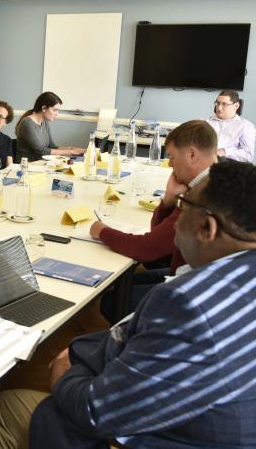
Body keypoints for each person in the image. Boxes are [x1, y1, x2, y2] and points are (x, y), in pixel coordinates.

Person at [0, 161, 256, 448]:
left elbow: (99, 412)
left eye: (183, 206)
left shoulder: (190, 304)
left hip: (192, 438)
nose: (177, 218)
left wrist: (65, 374)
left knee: (10, 405)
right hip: (254, 427)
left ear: (207, 227)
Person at [89, 120, 218, 318]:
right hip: (198, 276)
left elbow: (146, 249)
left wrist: (101, 231)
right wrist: (168, 201)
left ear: (192, 154)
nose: (170, 164)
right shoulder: (215, 178)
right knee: (127, 282)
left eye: (173, 157)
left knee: (113, 301)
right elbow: (158, 235)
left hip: (194, 289)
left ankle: (138, 343)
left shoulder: (201, 195)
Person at [15, 92, 83, 162]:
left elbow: (52, 147)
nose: (57, 114)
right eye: (55, 110)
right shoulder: (27, 123)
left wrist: (77, 150)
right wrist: (71, 152)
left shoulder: (44, 122)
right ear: (44, 108)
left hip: (40, 166)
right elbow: (42, 151)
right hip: (26, 167)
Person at [205, 89, 255, 162]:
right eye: (217, 103)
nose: (219, 107)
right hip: (203, 160)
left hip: (227, 164)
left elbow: (248, 155)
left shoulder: (245, 126)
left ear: (236, 106)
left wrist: (224, 151)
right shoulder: (205, 123)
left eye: (224, 104)